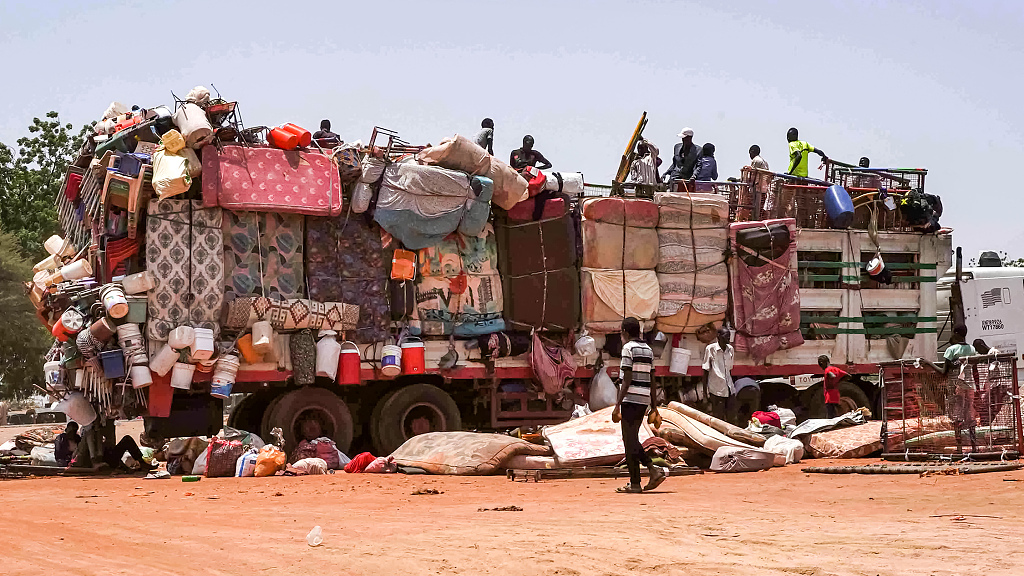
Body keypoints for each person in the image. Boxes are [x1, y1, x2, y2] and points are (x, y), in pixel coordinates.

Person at [611, 318, 667, 494]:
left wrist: (617, 404)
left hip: (630, 399)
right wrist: (654, 405)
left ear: (625, 332)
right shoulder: (648, 350)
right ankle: (637, 480)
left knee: (629, 440)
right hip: (643, 400)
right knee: (631, 439)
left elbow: (627, 378)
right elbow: (652, 379)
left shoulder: (628, 348)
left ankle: (648, 472)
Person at [923, 326, 978, 453]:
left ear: (957, 334)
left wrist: (928, 362)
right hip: (969, 385)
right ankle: (974, 447)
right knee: (970, 414)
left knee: (957, 415)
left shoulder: (950, 350)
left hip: (955, 385)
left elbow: (943, 372)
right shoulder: (971, 349)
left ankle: (959, 448)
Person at [75, 418, 156, 472]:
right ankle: (140, 463)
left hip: (107, 457)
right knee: (126, 440)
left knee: (125, 440)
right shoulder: (88, 433)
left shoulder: (93, 432)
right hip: (102, 460)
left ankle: (141, 462)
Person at [702, 327, 735, 422]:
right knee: (718, 419)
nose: (728, 339)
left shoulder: (730, 349)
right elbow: (705, 372)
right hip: (716, 391)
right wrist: (705, 395)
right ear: (718, 337)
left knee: (731, 418)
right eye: (726, 336)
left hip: (729, 389)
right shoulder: (711, 349)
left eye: (729, 336)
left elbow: (729, 370)